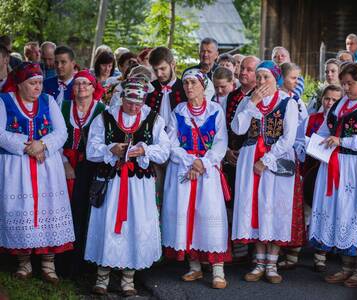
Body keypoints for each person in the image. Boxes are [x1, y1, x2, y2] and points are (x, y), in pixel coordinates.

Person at [85, 78, 170, 296]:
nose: (133, 107)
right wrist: (111, 149)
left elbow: (164, 150)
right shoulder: (105, 118)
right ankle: (102, 277)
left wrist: (144, 151)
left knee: (135, 225)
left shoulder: (153, 119)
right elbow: (92, 149)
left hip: (139, 185)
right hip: (112, 183)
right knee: (108, 223)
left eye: (137, 104)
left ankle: (128, 279)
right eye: (129, 102)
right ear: (122, 97)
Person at [309, 63, 357, 288]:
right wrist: (313, 143)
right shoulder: (341, 103)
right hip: (337, 164)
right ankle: (345, 267)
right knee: (341, 212)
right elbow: (326, 128)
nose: (345, 88)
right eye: (343, 84)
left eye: (349, 84)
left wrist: (342, 141)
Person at [231, 60, 305, 284]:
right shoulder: (247, 101)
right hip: (249, 158)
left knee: (273, 208)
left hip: (276, 160)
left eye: (267, 78)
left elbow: (288, 138)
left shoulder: (287, 102)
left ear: (277, 79)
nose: (262, 82)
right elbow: (238, 128)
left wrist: (266, 160)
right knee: (255, 207)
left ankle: (272, 264)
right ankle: (259, 262)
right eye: (259, 77)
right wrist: (251, 103)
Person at [0, 62, 75, 284]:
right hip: (16, 167)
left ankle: (48, 264)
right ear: (20, 84)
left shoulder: (48, 101)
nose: (38, 88)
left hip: (46, 167)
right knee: (20, 208)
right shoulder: (4, 101)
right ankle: (24, 263)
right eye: (32, 83)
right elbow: (0, 133)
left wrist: (42, 144)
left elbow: (62, 132)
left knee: (48, 209)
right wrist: (27, 145)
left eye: (40, 83)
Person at [162, 69, 230, 289]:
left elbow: (220, 142)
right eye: (186, 83)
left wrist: (203, 163)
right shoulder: (179, 111)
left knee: (209, 214)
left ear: (203, 85)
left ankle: (218, 269)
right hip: (183, 171)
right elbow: (171, 143)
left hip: (207, 173)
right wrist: (191, 161)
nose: (189, 87)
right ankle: (195, 267)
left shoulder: (215, 110)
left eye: (193, 82)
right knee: (186, 214)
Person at [279, 84, 343, 272]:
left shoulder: (341, 120)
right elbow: (298, 141)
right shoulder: (311, 119)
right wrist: (307, 146)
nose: (330, 103)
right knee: (303, 212)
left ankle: (320, 257)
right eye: (327, 98)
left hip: (331, 173)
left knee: (325, 213)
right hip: (310, 170)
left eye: (334, 100)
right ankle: (292, 256)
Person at [60, 70, 105, 276]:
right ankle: (61, 260)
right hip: (63, 164)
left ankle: (81, 264)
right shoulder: (63, 106)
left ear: (93, 87)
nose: (81, 88)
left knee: (85, 212)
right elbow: (57, 136)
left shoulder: (102, 110)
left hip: (90, 167)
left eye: (86, 84)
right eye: (77, 84)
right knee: (64, 210)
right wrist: (64, 163)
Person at [224, 56, 260, 262]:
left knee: (252, 199)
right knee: (234, 199)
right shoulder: (233, 95)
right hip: (233, 154)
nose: (243, 72)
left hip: (253, 155)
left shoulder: (262, 97)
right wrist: (228, 150)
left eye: (249, 69)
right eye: (242, 68)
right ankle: (238, 241)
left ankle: (255, 246)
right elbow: (228, 126)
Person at [146, 46, 186, 127]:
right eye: (155, 70)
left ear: (173, 64)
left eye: (163, 68)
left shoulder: (185, 88)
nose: (159, 74)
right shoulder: (149, 88)